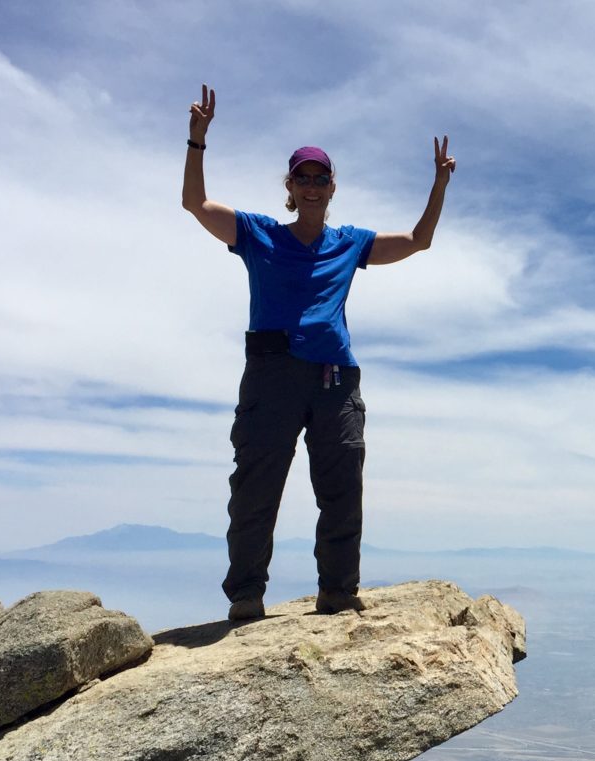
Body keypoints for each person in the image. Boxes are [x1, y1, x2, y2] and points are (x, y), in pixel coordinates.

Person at [181, 84, 455, 621]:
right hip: (272, 374)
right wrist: (197, 142)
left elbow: (418, 240)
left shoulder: (349, 243)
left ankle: (337, 591)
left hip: (335, 378)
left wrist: (439, 185)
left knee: (342, 488)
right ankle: (246, 596)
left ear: (332, 187)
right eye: (302, 178)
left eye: (320, 178)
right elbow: (196, 204)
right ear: (289, 186)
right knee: (256, 487)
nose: (311, 186)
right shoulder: (258, 234)